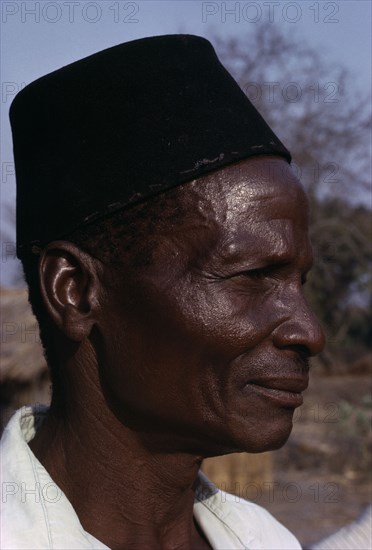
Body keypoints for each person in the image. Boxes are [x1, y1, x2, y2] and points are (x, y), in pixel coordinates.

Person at [1, 35, 325, 549]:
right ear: (76, 290)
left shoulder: (264, 539)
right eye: (251, 275)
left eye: (298, 282)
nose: (309, 332)